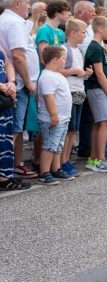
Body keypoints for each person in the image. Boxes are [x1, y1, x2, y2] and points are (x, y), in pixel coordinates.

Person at [0, 0, 39, 179]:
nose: (29, 7)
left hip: (13, 80)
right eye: (27, 2)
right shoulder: (14, 22)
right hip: (18, 83)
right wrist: (29, 82)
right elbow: (18, 56)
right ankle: (7, 169)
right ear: (17, 4)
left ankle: (14, 165)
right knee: (14, 129)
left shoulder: (8, 19)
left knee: (15, 128)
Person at [36, 46, 74, 185]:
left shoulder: (57, 75)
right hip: (53, 119)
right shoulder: (47, 76)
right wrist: (53, 114)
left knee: (58, 145)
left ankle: (56, 168)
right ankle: (44, 172)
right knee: (49, 145)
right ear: (56, 60)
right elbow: (48, 97)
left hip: (63, 119)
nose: (65, 61)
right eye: (63, 58)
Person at [59, 19, 91, 177]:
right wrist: (75, 71)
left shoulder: (80, 50)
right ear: (72, 33)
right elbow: (58, 70)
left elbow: (79, 71)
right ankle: (61, 162)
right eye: (83, 32)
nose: (85, 35)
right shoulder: (64, 49)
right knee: (67, 130)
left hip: (79, 92)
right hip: (68, 92)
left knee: (73, 130)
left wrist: (85, 73)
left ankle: (66, 160)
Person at [84, 16, 107, 173]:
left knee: (99, 123)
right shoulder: (95, 47)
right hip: (97, 88)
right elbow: (99, 72)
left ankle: (94, 158)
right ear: (99, 29)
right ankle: (99, 159)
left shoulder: (100, 47)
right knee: (105, 122)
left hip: (98, 89)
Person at [0, 45, 28, 190]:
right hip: (2, 91)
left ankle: (4, 176)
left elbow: (7, 63)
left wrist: (11, 82)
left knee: (5, 138)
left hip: (4, 97)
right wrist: (2, 86)